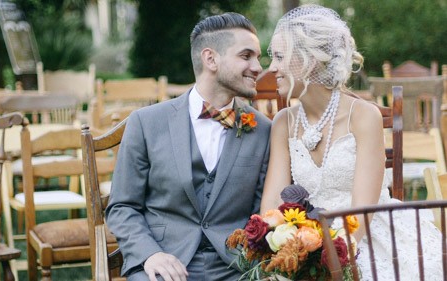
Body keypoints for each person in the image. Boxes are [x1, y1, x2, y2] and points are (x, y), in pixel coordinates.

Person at [260, 4, 442, 280]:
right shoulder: (283, 123)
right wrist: (286, 248)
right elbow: (271, 208)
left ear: (308, 60)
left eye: (279, 57)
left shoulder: (363, 116)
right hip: (306, 242)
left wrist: (327, 261)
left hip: (367, 236)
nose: (271, 68)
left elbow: (363, 211)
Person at [105, 12, 271, 281]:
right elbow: (122, 207)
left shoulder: (263, 129)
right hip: (163, 262)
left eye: (257, 58)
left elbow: (263, 211)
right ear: (211, 59)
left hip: (235, 266)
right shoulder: (146, 123)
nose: (257, 67)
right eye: (246, 56)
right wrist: (150, 254)